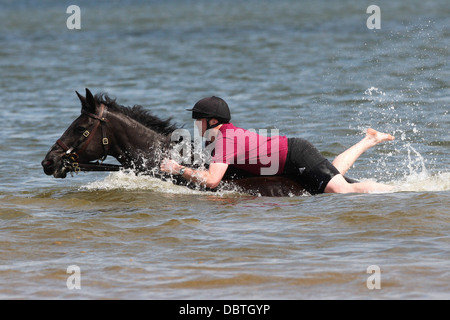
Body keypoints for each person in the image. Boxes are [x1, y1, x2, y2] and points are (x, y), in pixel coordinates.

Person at [160, 96, 395, 194]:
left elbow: (212, 180)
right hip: (288, 159)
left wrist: (178, 169)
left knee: (343, 190)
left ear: (212, 121)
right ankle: (369, 139)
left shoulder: (224, 140)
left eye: (197, 120)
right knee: (335, 173)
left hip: (295, 155)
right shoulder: (222, 137)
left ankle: (395, 193)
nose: (195, 125)